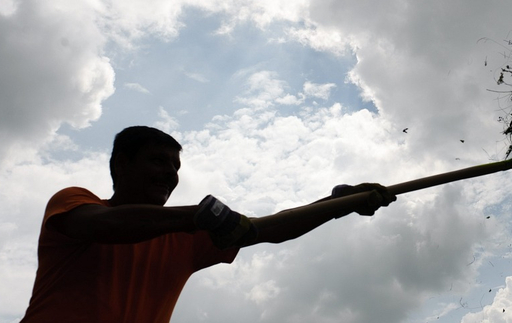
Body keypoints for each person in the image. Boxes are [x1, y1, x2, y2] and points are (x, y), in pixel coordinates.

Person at [20, 126, 395, 323]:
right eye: (157, 161)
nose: (169, 174)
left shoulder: (187, 238)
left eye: (175, 167)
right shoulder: (74, 202)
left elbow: (270, 228)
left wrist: (337, 203)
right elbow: (104, 224)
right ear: (120, 164)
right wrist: (195, 216)